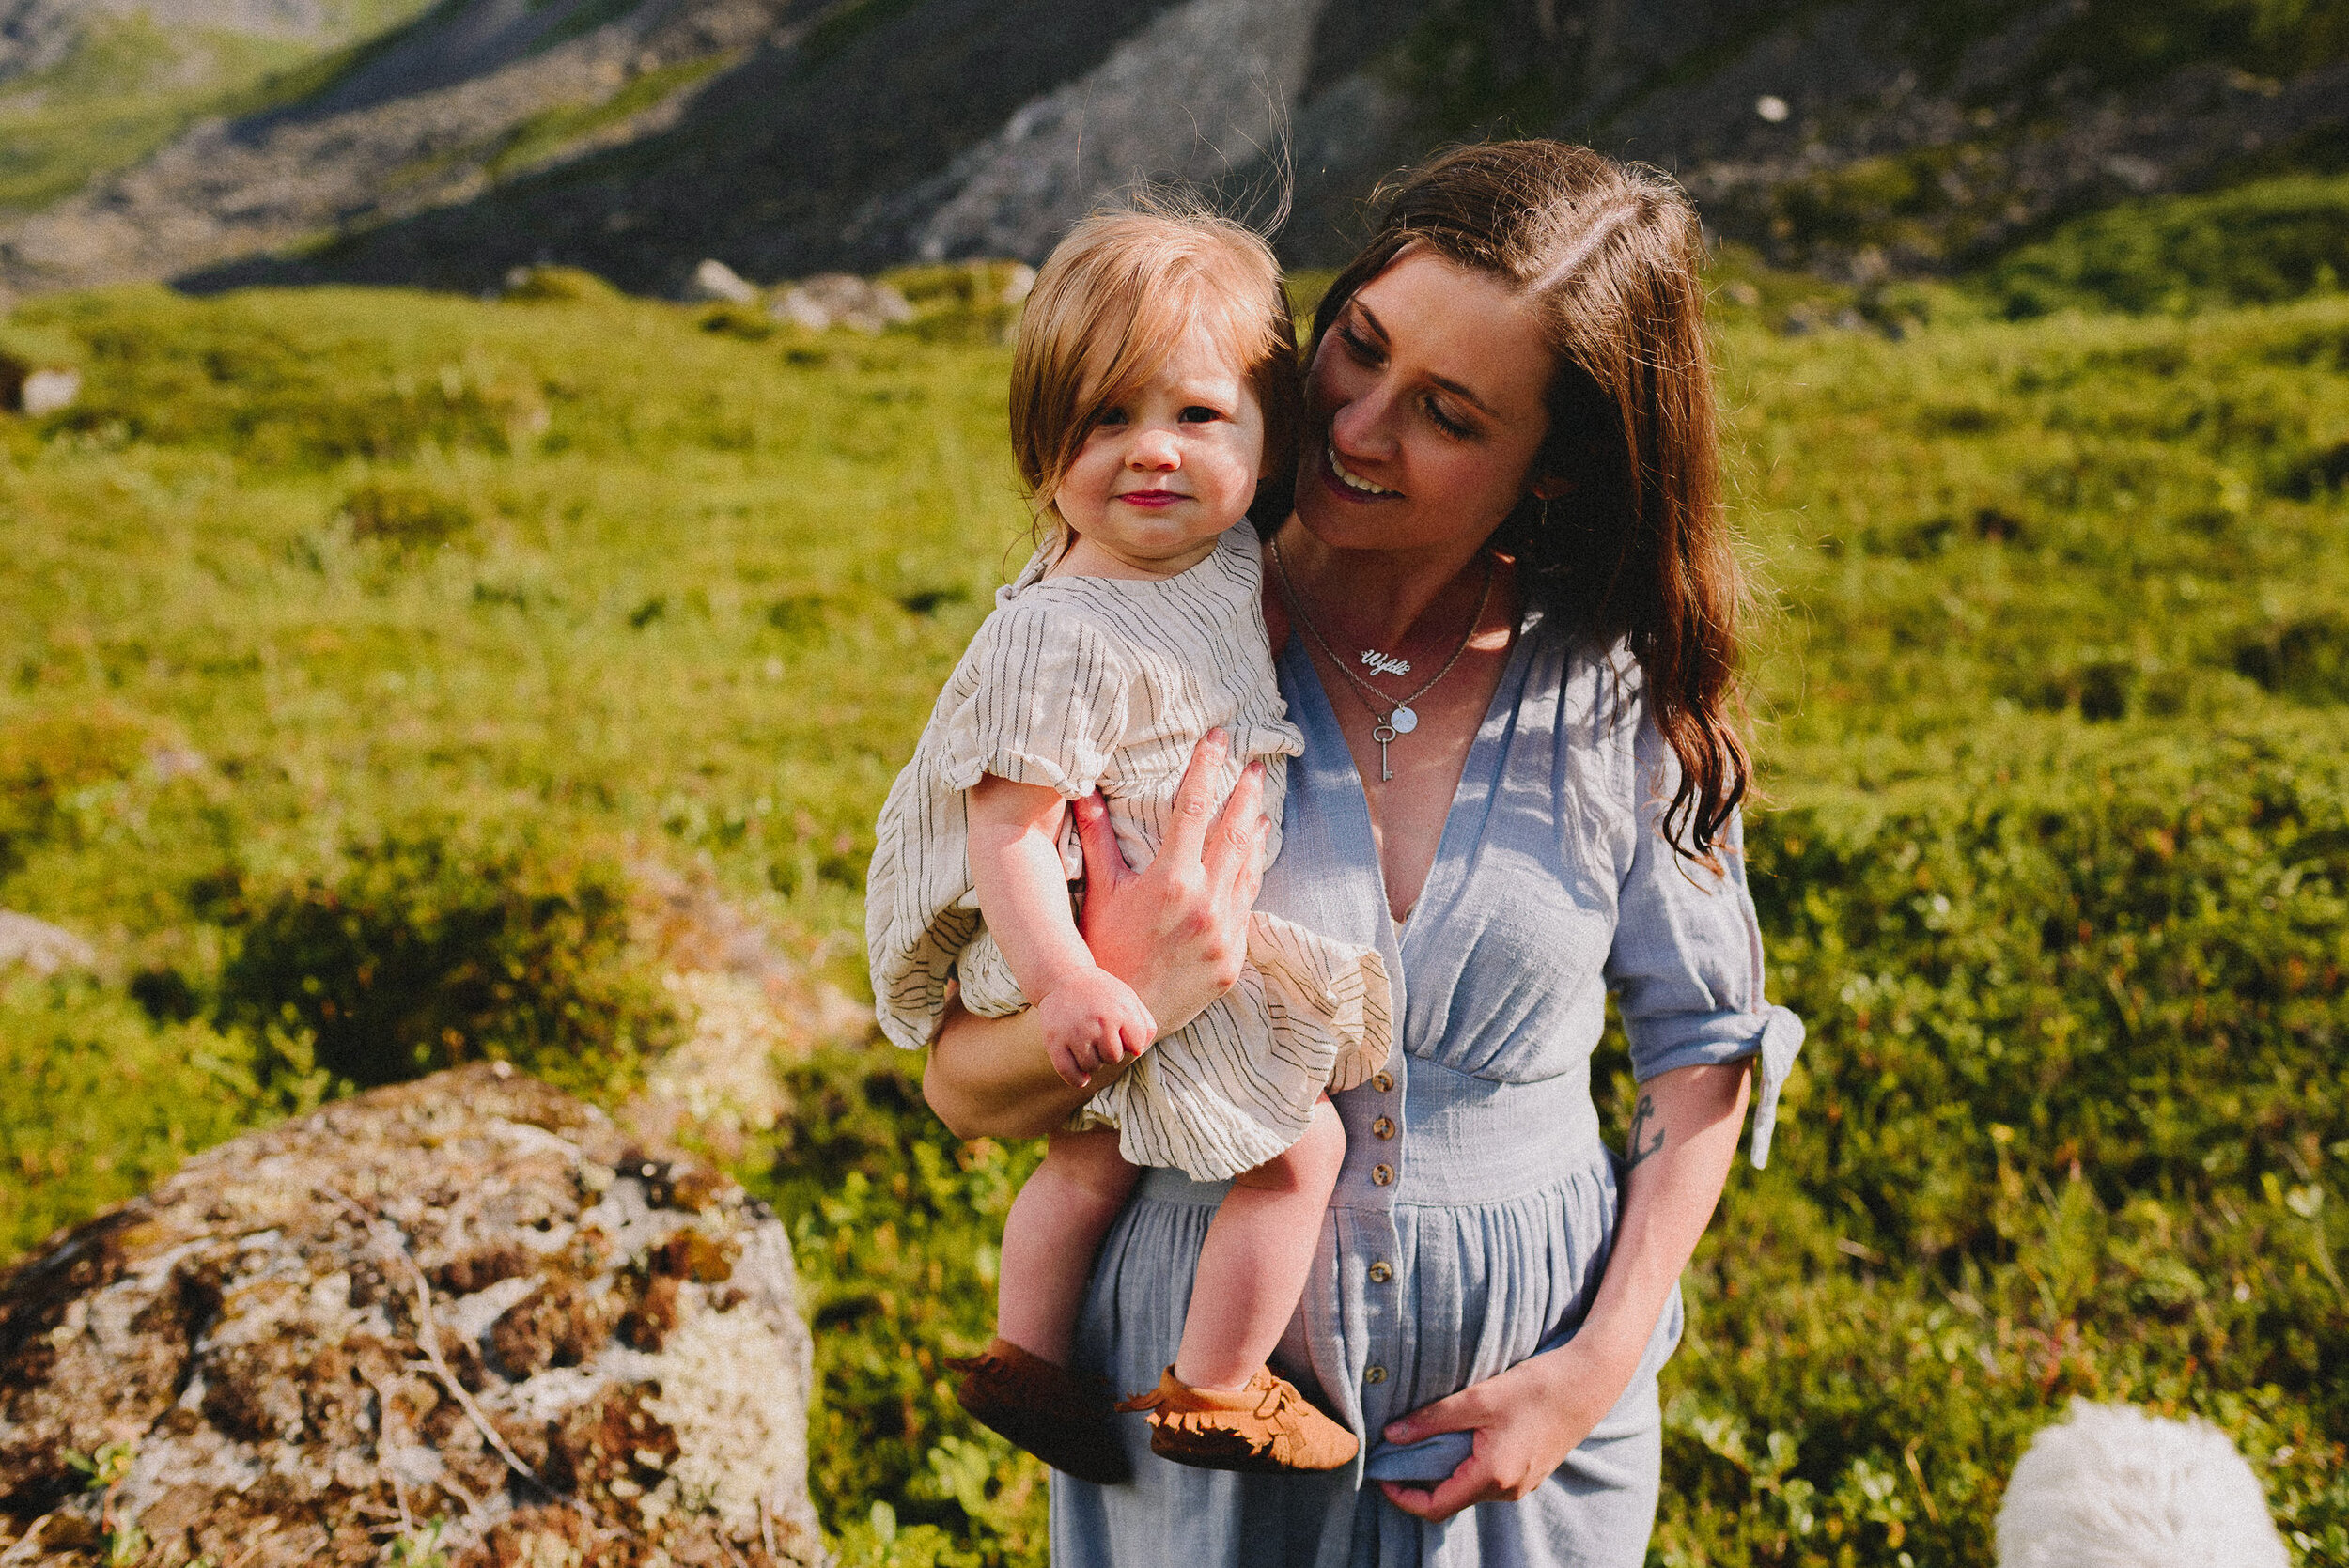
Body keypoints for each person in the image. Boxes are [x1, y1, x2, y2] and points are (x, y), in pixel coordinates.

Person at [922, 141, 1806, 1566]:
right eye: (1359, 345)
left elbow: (1702, 1043)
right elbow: (964, 1085)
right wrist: (1126, 987)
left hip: (1520, 1414)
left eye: (1447, 413)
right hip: (1186, 1420)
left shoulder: (1622, 684)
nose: (1354, 425)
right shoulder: (1118, 630)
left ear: (1559, 465)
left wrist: (1593, 1370)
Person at [866, 206, 1393, 1485]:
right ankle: (1215, 1384)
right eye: (1106, 420)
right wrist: (1073, 981)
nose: (1152, 452)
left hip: (1144, 925)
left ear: (1266, 442)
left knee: (1090, 1149)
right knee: (1302, 1149)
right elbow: (1008, 827)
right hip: (1091, 940)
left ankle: (1026, 1357)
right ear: (1045, 450)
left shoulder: (1221, 567)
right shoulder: (1060, 628)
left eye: (1198, 417)